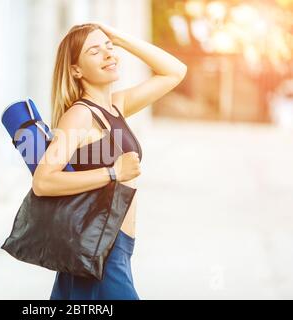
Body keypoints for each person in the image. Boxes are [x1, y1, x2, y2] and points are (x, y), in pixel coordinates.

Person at [32, 22, 187, 300]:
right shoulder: (80, 115)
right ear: (76, 70)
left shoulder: (117, 106)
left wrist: (120, 38)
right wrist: (112, 172)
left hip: (116, 249)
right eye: (95, 51)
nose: (108, 54)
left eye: (109, 48)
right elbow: (43, 182)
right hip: (100, 250)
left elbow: (175, 71)